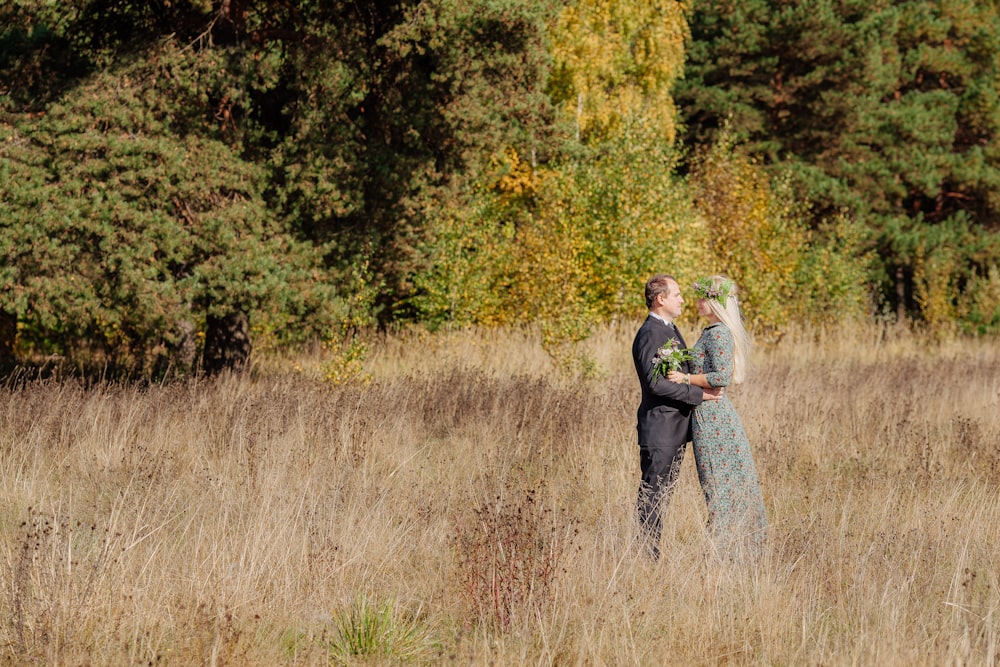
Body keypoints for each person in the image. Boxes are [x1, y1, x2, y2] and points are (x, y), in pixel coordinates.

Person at [666, 275, 767, 554]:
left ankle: (731, 549)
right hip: (707, 415)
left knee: (718, 481)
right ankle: (727, 547)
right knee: (715, 482)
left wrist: (684, 379)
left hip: (715, 420)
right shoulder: (710, 331)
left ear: (716, 302)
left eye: (702, 298)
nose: (697, 302)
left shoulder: (719, 333)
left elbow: (721, 377)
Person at [632, 274, 721, 560]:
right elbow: (656, 383)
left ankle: (651, 555)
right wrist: (700, 395)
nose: (683, 299)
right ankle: (646, 558)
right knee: (653, 497)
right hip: (660, 430)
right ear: (661, 299)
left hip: (673, 430)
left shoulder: (669, 328)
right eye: (677, 294)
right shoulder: (651, 334)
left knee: (662, 496)